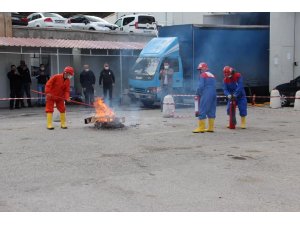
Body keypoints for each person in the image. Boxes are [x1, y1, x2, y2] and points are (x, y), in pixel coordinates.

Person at [193, 62, 217, 133]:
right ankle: (211, 127)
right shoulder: (212, 75)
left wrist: (198, 93)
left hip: (206, 93)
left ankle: (201, 128)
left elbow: (201, 86)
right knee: (211, 109)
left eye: (200, 69)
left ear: (203, 69)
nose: (200, 71)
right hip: (213, 93)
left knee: (202, 108)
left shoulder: (202, 75)